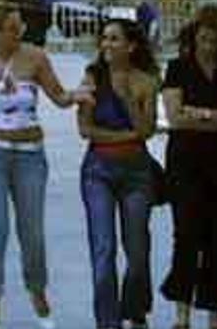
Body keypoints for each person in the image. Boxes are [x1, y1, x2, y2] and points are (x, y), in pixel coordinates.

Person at [0, 2, 93, 329]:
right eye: (13, 29)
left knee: (31, 232)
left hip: (30, 154)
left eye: (21, 28)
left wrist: (80, 95)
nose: (20, 34)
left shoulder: (35, 58)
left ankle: (37, 292)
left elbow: (59, 96)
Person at [77, 19, 160, 329]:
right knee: (103, 248)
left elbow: (147, 130)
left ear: (131, 46)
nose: (107, 45)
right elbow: (85, 130)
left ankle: (135, 309)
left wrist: (126, 98)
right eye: (104, 39)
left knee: (137, 251)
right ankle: (107, 322)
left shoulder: (146, 81)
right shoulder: (93, 77)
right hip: (98, 171)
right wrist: (125, 136)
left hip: (137, 172)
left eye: (114, 39)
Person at [159, 7, 217, 329]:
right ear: (193, 37)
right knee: (187, 234)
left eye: (214, 40)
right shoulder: (178, 68)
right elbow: (175, 117)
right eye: (203, 39)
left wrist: (200, 115)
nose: (208, 46)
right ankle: (182, 311)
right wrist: (214, 117)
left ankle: (215, 314)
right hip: (185, 161)